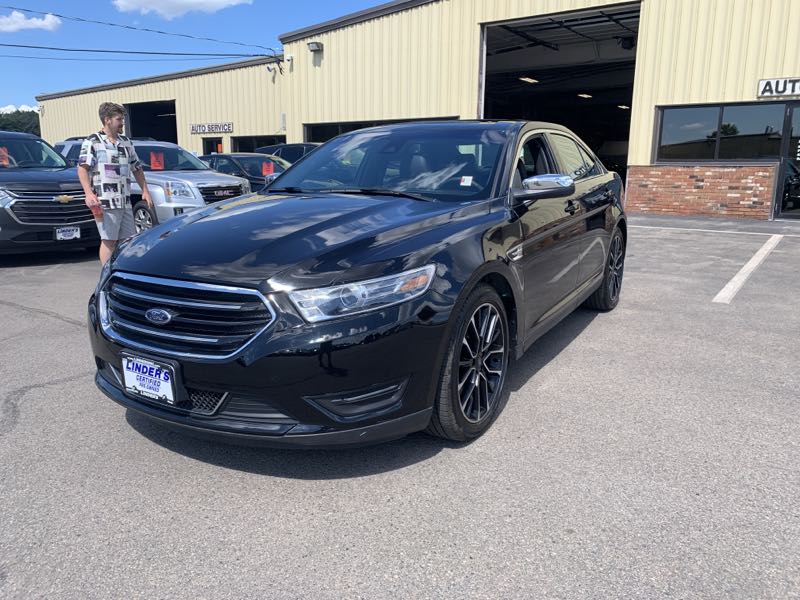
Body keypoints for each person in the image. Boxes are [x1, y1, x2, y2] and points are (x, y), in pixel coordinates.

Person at [77, 102, 153, 265]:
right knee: (109, 241)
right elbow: (82, 169)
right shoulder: (93, 142)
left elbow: (137, 168)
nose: (122, 123)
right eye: (119, 119)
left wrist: (145, 190)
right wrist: (88, 193)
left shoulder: (125, 142)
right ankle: (106, 275)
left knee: (128, 241)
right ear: (107, 120)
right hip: (105, 202)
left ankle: (124, 271)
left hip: (125, 201)